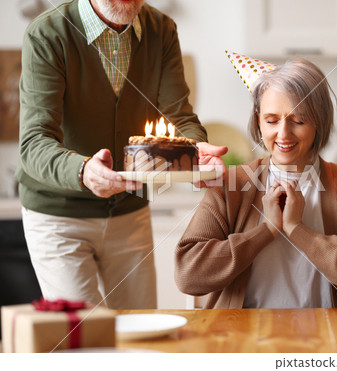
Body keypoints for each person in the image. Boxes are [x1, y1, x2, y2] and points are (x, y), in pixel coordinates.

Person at [16, 0, 226, 309]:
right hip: (59, 218)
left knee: (140, 334)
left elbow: (179, 118)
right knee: (87, 340)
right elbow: (34, 141)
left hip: (129, 212)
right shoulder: (48, 33)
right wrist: (83, 170)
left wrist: (196, 150)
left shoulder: (161, 30)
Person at [175, 56, 337, 309]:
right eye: (271, 120)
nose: (283, 134)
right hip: (245, 340)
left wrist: (296, 228)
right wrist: (265, 231)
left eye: (299, 120)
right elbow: (188, 275)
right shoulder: (232, 184)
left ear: (319, 122)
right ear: (258, 120)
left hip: (329, 338)